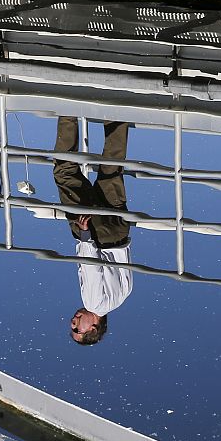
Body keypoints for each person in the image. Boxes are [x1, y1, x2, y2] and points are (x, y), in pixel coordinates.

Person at [52, 116, 133, 345]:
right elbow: (91, 268)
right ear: (94, 327)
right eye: (78, 329)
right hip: (96, 234)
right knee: (65, 172)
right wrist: (85, 235)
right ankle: (67, 114)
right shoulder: (93, 303)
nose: (73, 322)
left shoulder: (121, 298)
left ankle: (117, 113)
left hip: (119, 231)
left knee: (111, 170)